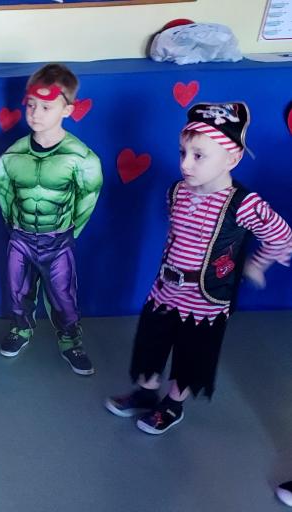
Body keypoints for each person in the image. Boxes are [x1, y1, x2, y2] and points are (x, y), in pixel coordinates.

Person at [106, 102, 292, 434]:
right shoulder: (177, 191)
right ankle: (146, 393)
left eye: (199, 156)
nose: (185, 164)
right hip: (165, 289)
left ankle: (172, 405)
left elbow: (282, 236)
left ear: (232, 159)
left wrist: (257, 264)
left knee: (191, 352)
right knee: (151, 341)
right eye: (183, 153)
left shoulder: (244, 204)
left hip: (206, 298)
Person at [0, 63, 103, 375]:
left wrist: (67, 233)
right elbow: (5, 196)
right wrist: (17, 229)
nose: (35, 113)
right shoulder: (11, 156)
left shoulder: (82, 158)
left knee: (63, 296)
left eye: (46, 107)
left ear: (67, 110)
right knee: (17, 289)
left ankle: (71, 340)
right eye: (31, 105)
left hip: (59, 239)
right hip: (21, 237)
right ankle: (21, 328)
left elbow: (88, 199)